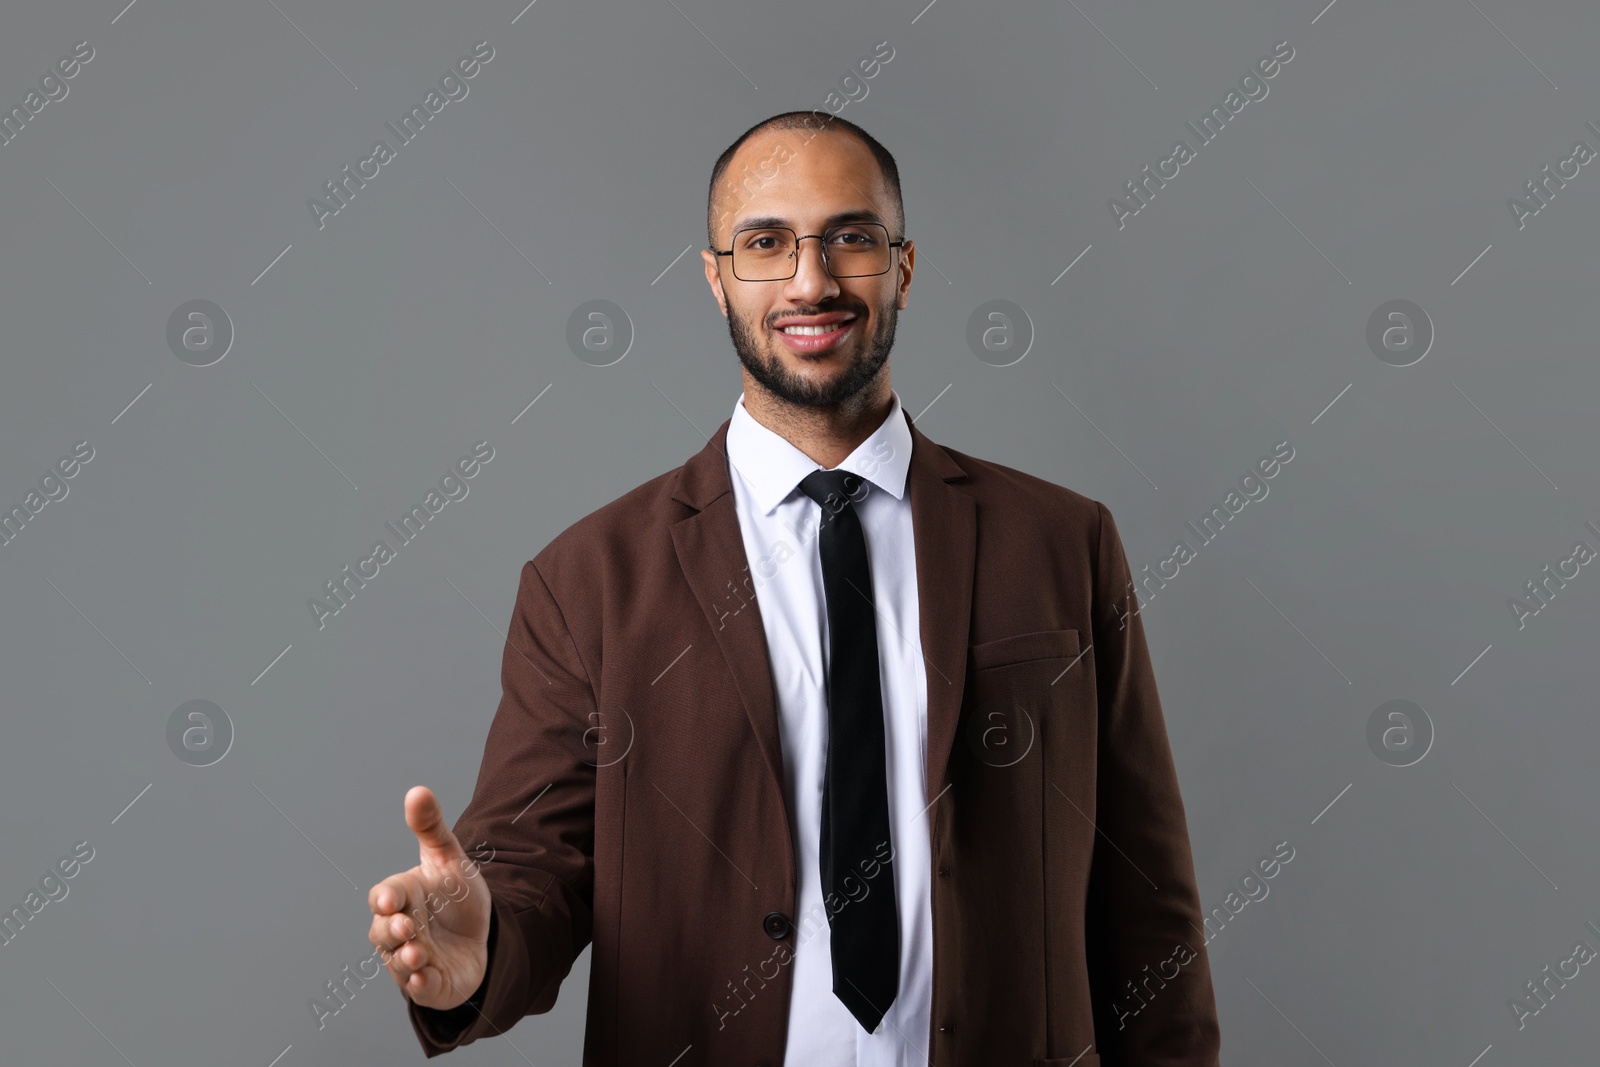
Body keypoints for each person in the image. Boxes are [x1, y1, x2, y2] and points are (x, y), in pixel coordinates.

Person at [367, 110, 1223, 1066]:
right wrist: (480, 949)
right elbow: (534, 874)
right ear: (716, 278)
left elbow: (1148, 904)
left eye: (850, 238)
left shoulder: (1062, 543)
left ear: (901, 268)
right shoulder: (590, 581)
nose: (811, 280)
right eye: (766, 243)